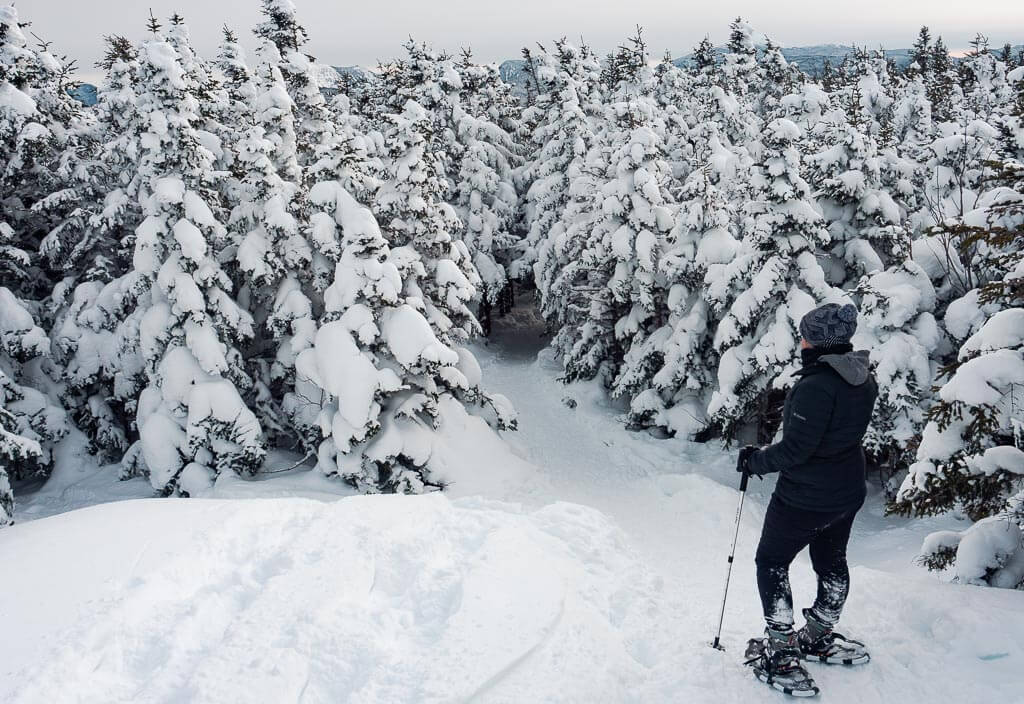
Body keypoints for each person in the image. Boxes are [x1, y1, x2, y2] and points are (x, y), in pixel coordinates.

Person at [739, 302, 878, 695]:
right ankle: (818, 633)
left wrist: (755, 461)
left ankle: (781, 652)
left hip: (805, 496)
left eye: (804, 334)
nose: (800, 341)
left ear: (816, 341)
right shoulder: (861, 377)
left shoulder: (817, 385)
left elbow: (797, 449)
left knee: (771, 561)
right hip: (846, 491)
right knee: (831, 560)